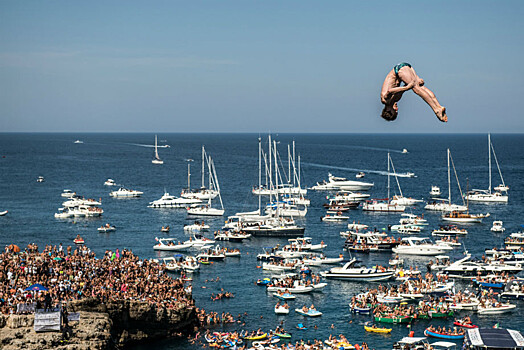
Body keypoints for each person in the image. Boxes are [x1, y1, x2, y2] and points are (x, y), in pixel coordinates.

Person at [380, 62, 448, 122]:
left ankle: (437, 110)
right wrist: (416, 80)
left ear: (388, 111)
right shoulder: (396, 98)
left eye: (395, 111)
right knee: (420, 87)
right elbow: (405, 87)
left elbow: (390, 91)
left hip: (399, 70)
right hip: (407, 69)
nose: (397, 109)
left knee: (416, 89)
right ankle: (438, 106)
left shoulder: (385, 100)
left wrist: (407, 87)